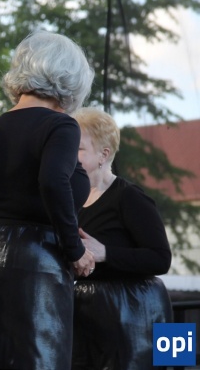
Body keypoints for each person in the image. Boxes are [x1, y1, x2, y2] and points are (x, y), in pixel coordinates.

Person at [0, 30, 97, 370]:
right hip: (35, 260)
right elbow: (52, 181)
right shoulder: (60, 126)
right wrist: (74, 248)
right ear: (71, 78)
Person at [71, 107, 172, 370]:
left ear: (103, 154)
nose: (69, 154)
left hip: (139, 318)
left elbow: (162, 259)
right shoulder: (70, 201)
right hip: (88, 323)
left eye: (78, 148)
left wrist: (105, 252)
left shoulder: (130, 196)